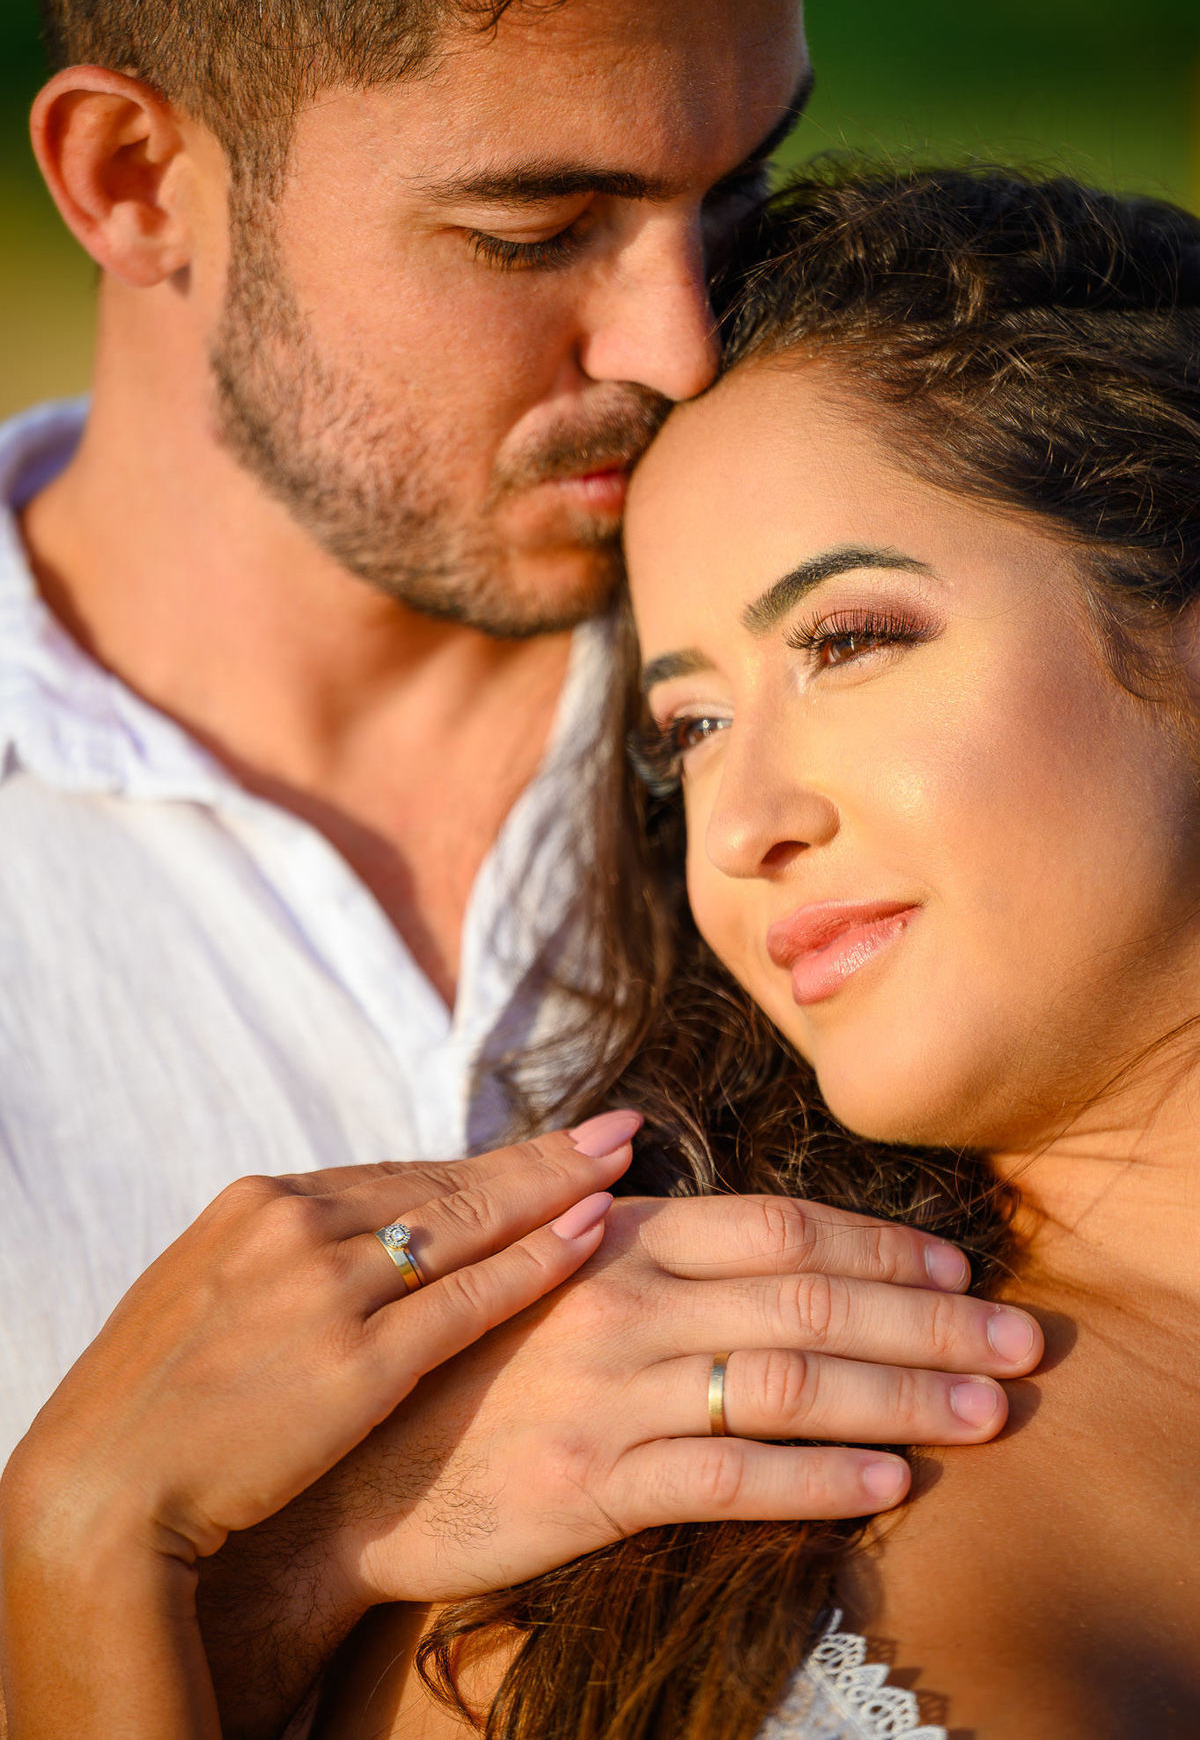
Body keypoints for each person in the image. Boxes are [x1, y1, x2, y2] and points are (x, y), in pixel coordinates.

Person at [6, 161, 1196, 1738]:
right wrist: (81, 1551)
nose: (743, 820)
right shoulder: (614, 1524)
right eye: (689, 728)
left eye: (846, 642)